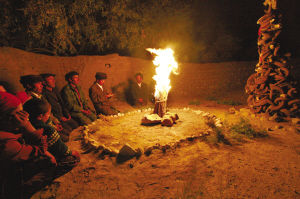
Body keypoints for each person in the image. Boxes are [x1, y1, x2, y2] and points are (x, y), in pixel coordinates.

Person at [0, 91, 56, 199]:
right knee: (48, 162)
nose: (25, 116)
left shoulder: (6, 128)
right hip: (7, 180)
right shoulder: (7, 144)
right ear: (6, 117)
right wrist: (27, 125)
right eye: (19, 113)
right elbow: (41, 149)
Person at [23, 98, 80, 165]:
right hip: (45, 155)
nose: (49, 116)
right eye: (48, 114)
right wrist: (71, 152)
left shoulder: (29, 123)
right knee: (73, 158)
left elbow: (47, 121)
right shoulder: (47, 129)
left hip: (38, 152)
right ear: (40, 116)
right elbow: (61, 148)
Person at [20, 74, 69, 142]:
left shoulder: (41, 96)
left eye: (41, 83)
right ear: (29, 85)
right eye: (38, 84)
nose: (41, 85)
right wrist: (53, 127)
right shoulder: (29, 100)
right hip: (43, 128)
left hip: (51, 124)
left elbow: (49, 112)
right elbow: (37, 121)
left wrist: (56, 122)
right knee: (65, 139)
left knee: (68, 133)